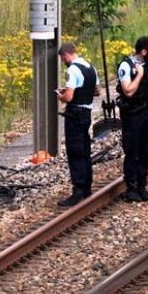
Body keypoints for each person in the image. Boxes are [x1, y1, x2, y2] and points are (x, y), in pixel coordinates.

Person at [116, 36, 148, 202]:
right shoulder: (126, 66)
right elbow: (128, 91)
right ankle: (131, 187)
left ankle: (142, 185)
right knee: (132, 151)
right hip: (132, 115)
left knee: (146, 151)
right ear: (144, 51)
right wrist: (139, 76)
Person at [56, 42, 101, 207]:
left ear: (66, 55)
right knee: (85, 149)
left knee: (74, 151)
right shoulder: (91, 67)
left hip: (74, 114)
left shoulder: (72, 69)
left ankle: (78, 189)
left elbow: (68, 97)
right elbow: (97, 91)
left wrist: (60, 96)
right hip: (87, 113)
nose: (63, 62)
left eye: (63, 59)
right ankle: (87, 186)